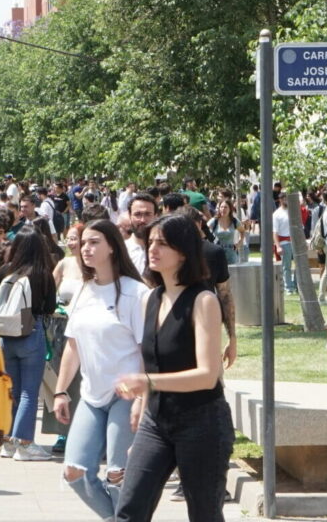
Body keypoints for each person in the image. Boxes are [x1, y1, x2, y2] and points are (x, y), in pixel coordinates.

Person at [115, 213, 233, 521]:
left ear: (183, 252)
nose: (152, 249)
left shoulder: (203, 300)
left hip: (202, 421)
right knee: (129, 509)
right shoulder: (151, 298)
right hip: (157, 420)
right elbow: (150, 356)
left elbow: (207, 376)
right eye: (151, 241)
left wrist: (147, 382)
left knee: (204, 514)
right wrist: (142, 400)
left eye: (162, 244)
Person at [54, 219, 149, 520]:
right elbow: (73, 346)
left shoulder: (136, 293)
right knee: (73, 471)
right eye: (83, 243)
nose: (86, 248)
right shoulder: (84, 290)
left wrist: (144, 399)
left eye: (94, 242)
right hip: (91, 396)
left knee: (118, 474)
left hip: (126, 396)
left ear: (112, 246)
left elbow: (149, 351)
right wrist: (60, 391)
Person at [0, 226, 57, 461]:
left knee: (12, 391)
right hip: (30, 331)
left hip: (5, 334)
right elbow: (49, 306)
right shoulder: (41, 272)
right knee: (29, 392)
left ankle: (8, 441)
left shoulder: (6, 270)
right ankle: (25, 444)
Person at [43, 222, 85, 453]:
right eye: (68, 238)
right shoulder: (64, 264)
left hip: (84, 331)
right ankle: (61, 433)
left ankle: (81, 433)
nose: (71, 243)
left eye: (75, 238)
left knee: (80, 383)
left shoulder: (93, 266)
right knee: (60, 380)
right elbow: (50, 292)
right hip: (59, 329)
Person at [124, 194, 158, 274]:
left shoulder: (165, 251)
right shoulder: (120, 251)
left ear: (156, 216)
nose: (142, 220)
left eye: (147, 214)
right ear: (129, 216)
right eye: (137, 214)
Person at [272, 193, 296, 293]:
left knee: (298, 265)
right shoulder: (277, 214)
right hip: (284, 243)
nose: (286, 200)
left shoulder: (293, 211)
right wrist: (278, 246)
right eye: (284, 198)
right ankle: (288, 287)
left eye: (287, 198)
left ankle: (296, 285)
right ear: (280, 200)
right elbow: (275, 232)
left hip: (294, 242)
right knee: (287, 266)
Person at [209, 198, 244, 266]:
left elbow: (242, 231)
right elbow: (204, 230)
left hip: (231, 254)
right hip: (217, 254)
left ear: (230, 209)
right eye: (221, 207)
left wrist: (240, 242)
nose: (223, 209)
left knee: (232, 275)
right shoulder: (214, 221)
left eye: (225, 207)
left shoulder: (235, 221)